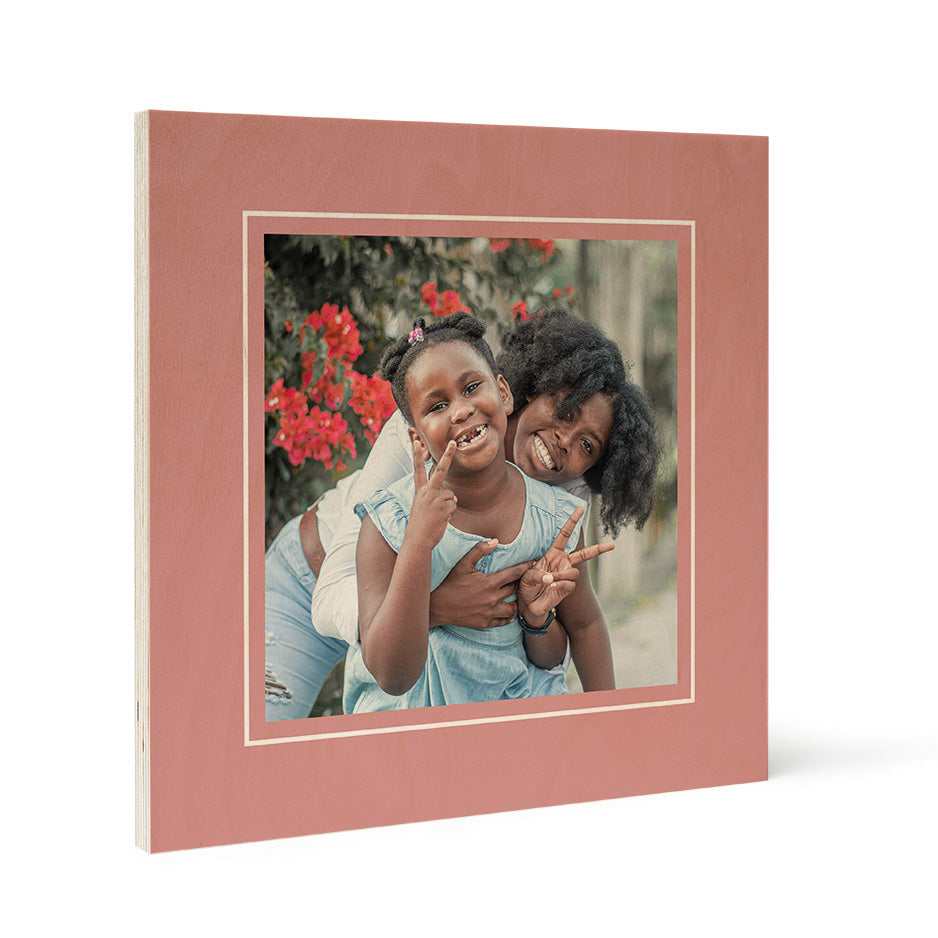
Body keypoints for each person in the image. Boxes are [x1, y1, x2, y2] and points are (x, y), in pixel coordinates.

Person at [265, 307, 658, 719]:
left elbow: (557, 637)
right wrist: (435, 608)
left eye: (587, 446)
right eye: (563, 411)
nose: (564, 440)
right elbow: (335, 597)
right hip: (311, 582)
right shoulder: (416, 446)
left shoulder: (559, 503)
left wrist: (534, 618)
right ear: (524, 392)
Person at [346, 313, 615, 711]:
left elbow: (578, 631)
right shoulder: (388, 523)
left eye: (472, 387)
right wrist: (418, 542)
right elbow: (393, 675)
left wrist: (535, 616)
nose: (460, 410)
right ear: (415, 436)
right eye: (437, 405)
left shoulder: (555, 519)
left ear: (503, 393)